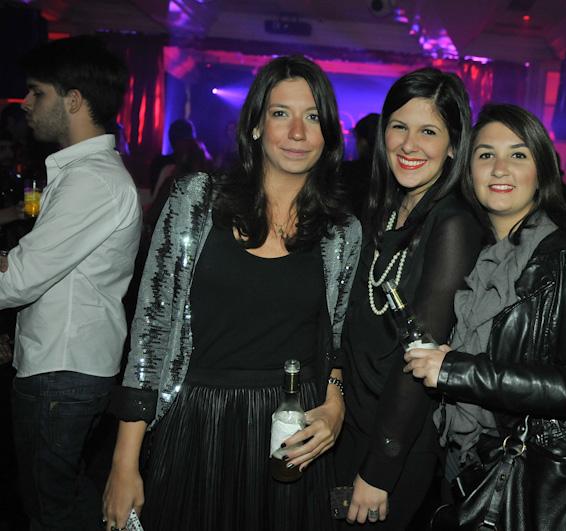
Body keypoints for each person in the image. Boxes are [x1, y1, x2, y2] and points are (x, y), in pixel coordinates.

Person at [102, 55, 361, 531]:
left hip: (291, 430)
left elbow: (336, 342)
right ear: (256, 126)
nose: (298, 132)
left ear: (328, 134)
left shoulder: (341, 232)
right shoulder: (196, 200)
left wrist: (335, 403)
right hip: (198, 420)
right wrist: (124, 461)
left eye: (312, 117)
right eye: (281, 113)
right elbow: (152, 332)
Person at [403, 103, 566, 530]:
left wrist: (457, 371)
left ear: (542, 171)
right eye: (486, 155)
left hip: (532, 475)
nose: (499, 168)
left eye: (518, 155)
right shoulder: (475, 253)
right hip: (466, 457)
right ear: (469, 171)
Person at [0, 36, 141, 530]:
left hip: (62, 368)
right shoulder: (83, 173)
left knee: (51, 511)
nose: (25, 103)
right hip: (64, 366)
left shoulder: (92, 180)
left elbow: (17, 280)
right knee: (56, 501)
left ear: (74, 100)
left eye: (37, 92)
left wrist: (12, 264)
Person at [335, 68, 482, 528]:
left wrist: (379, 469)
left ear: (454, 145)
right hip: (350, 420)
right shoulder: (386, 207)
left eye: (429, 132)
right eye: (399, 126)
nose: (409, 144)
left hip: (393, 439)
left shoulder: (453, 223)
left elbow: (421, 357)